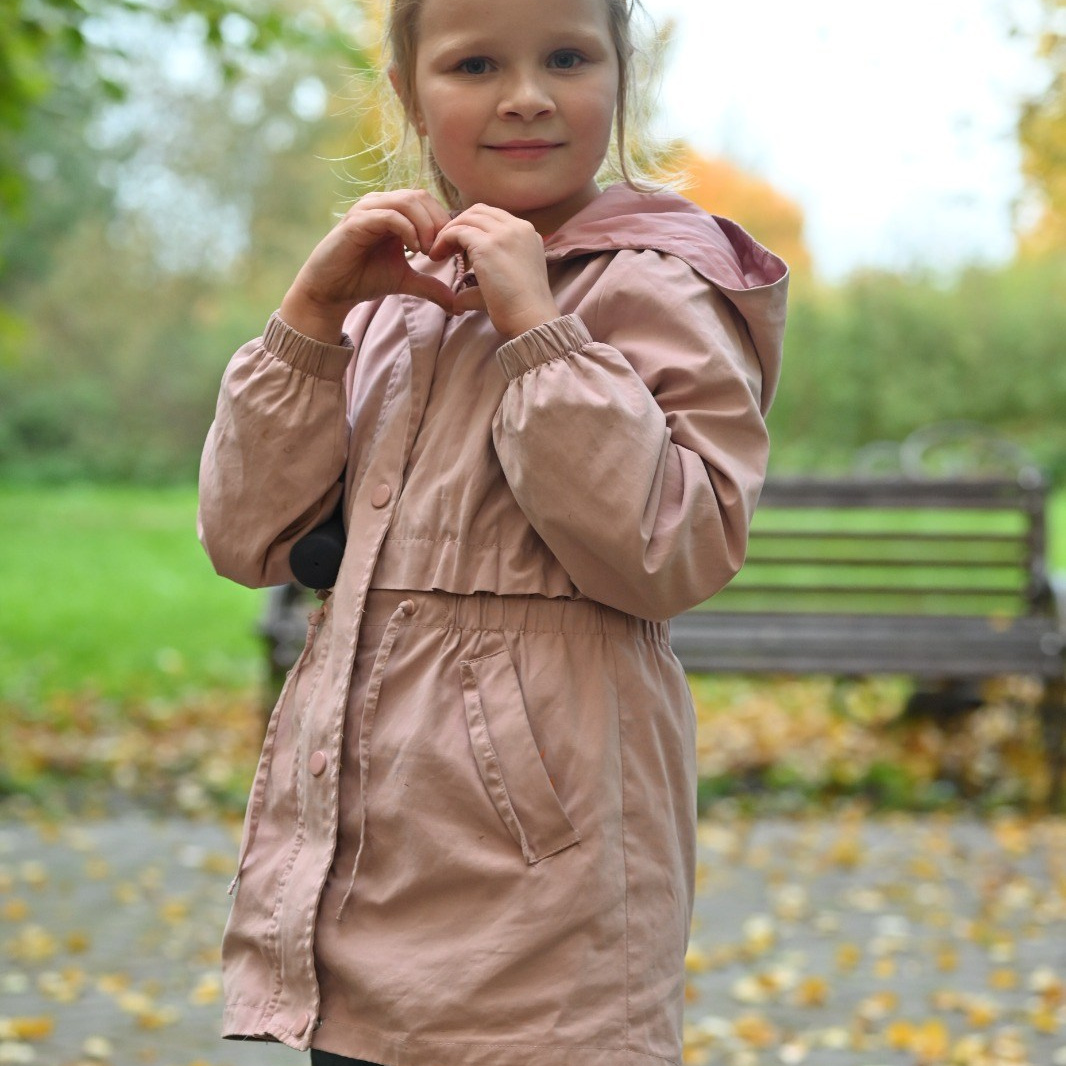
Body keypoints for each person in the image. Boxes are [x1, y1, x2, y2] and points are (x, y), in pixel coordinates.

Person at [197, 0, 788, 1062]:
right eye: (475, 63)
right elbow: (249, 538)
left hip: (544, 897)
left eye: (565, 56)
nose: (525, 94)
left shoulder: (656, 283)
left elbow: (674, 549)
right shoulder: (394, 296)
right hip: (359, 863)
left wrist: (541, 336)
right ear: (410, 94)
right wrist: (311, 317)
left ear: (620, 78)